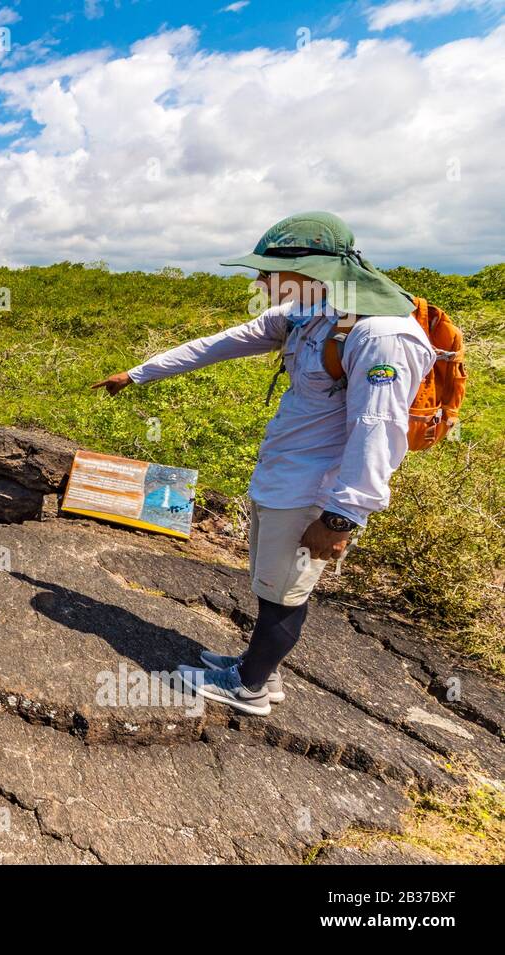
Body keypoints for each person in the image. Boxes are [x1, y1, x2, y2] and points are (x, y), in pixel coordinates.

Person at [92, 211, 434, 715]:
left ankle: (248, 688)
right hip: (284, 478)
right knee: (273, 584)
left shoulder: (380, 334)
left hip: (315, 493)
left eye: (267, 272)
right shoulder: (313, 311)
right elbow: (219, 344)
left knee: (284, 596)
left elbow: (378, 429)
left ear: (312, 268)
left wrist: (341, 517)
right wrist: (139, 374)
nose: (258, 282)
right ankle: (258, 668)